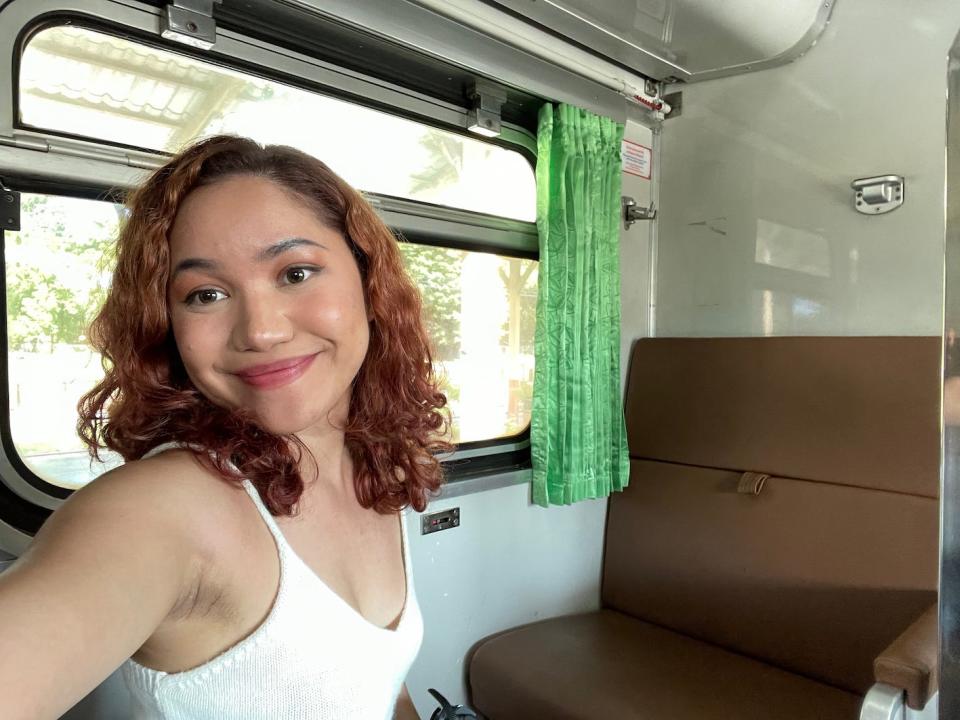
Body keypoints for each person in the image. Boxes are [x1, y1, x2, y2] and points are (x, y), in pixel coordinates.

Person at [0, 135, 452, 719]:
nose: (259, 331)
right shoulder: (164, 509)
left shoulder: (375, 468)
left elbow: (383, 688)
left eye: (295, 273)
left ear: (369, 286)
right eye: (205, 294)